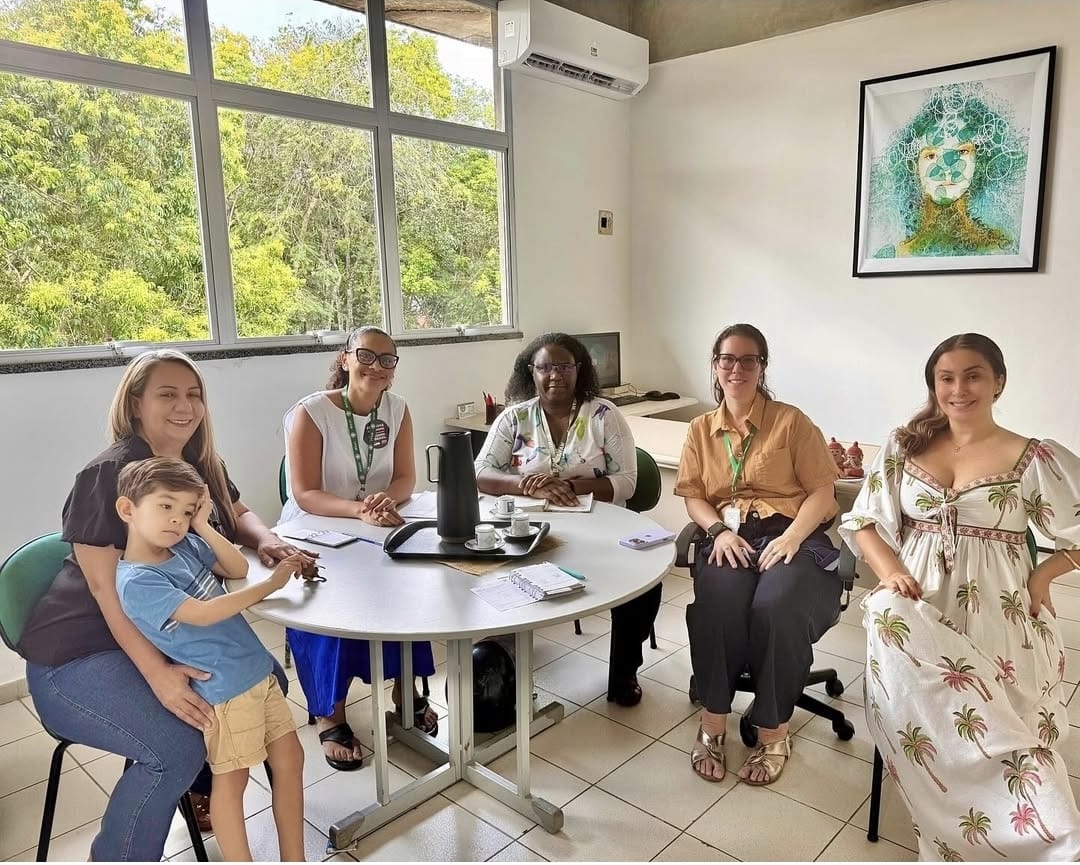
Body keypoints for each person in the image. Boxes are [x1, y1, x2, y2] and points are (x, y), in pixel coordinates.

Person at [16, 348, 313, 860]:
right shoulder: (108, 475)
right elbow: (106, 593)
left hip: (163, 633)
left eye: (194, 394)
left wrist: (268, 541)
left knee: (265, 681)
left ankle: (205, 789)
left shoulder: (197, 463)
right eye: (168, 394)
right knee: (175, 748)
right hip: (81, 654)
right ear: (135, 404)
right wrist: (158, 675)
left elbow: (236, 510)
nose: (185, 406)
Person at [840, 333, 1080, 859]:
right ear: (933, 385)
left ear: (998, 383)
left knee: (1001, 732)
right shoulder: (904, 446)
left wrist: (1043, 576)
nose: (959, 389)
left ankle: (1030, 834)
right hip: (915, 609)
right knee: (927, 713)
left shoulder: (1033, 457)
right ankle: (948, 816)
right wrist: (890, 570)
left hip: (999, 611)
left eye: (973, 376)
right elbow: (862, 522)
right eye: (946, 378)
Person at [115, 458, 306, 862]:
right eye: (165, 506)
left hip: (256, 672)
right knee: (232, 784)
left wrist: (202, 525)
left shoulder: (183, 544)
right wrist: (272, 584)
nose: (177, 520)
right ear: (127, 509)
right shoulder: (137, 580)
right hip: (226, 690)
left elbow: (236, 565)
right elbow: (204, 613)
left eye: (186, 511)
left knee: (291, 760)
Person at [675, 323, 841, 785]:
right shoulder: (700, 430)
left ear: (762, 367)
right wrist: (716, 532)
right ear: (715, 365)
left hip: (793, 533)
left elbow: (823, 492)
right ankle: (712, 724)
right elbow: (693, 495)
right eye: (727, 359)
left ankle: (773, 732)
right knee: (718, 603)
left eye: (749, 360)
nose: (737, 368)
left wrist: (792, 538)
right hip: (729, 535)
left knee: (776, 607)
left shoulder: (791, 422)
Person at [474, 331, 659, 707]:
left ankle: (625, 671)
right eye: (545, 367)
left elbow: (626, 482)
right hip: (531, 533)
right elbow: (479, 473)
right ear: (531, 371)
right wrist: (528, 485)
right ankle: (500, 665)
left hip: (599, 531)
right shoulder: (514, 417)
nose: (555, 375)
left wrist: (570, 487)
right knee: (490, 575)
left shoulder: (604, 415)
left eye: (564, 366)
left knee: (645, 583)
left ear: (579, 370)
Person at [281, 325, 437, 770]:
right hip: (318, 526)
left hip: (375, 522)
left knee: (410, 584)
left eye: (387, 360)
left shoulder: (398, 408)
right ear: (345, 359)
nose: (376, 367)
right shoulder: (311, 412)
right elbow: (305, 493)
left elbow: (405, 477)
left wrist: (387, 501)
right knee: (329, 603)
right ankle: (330, 714)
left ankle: (406, 692)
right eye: (366, 355)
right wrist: (358, 510)